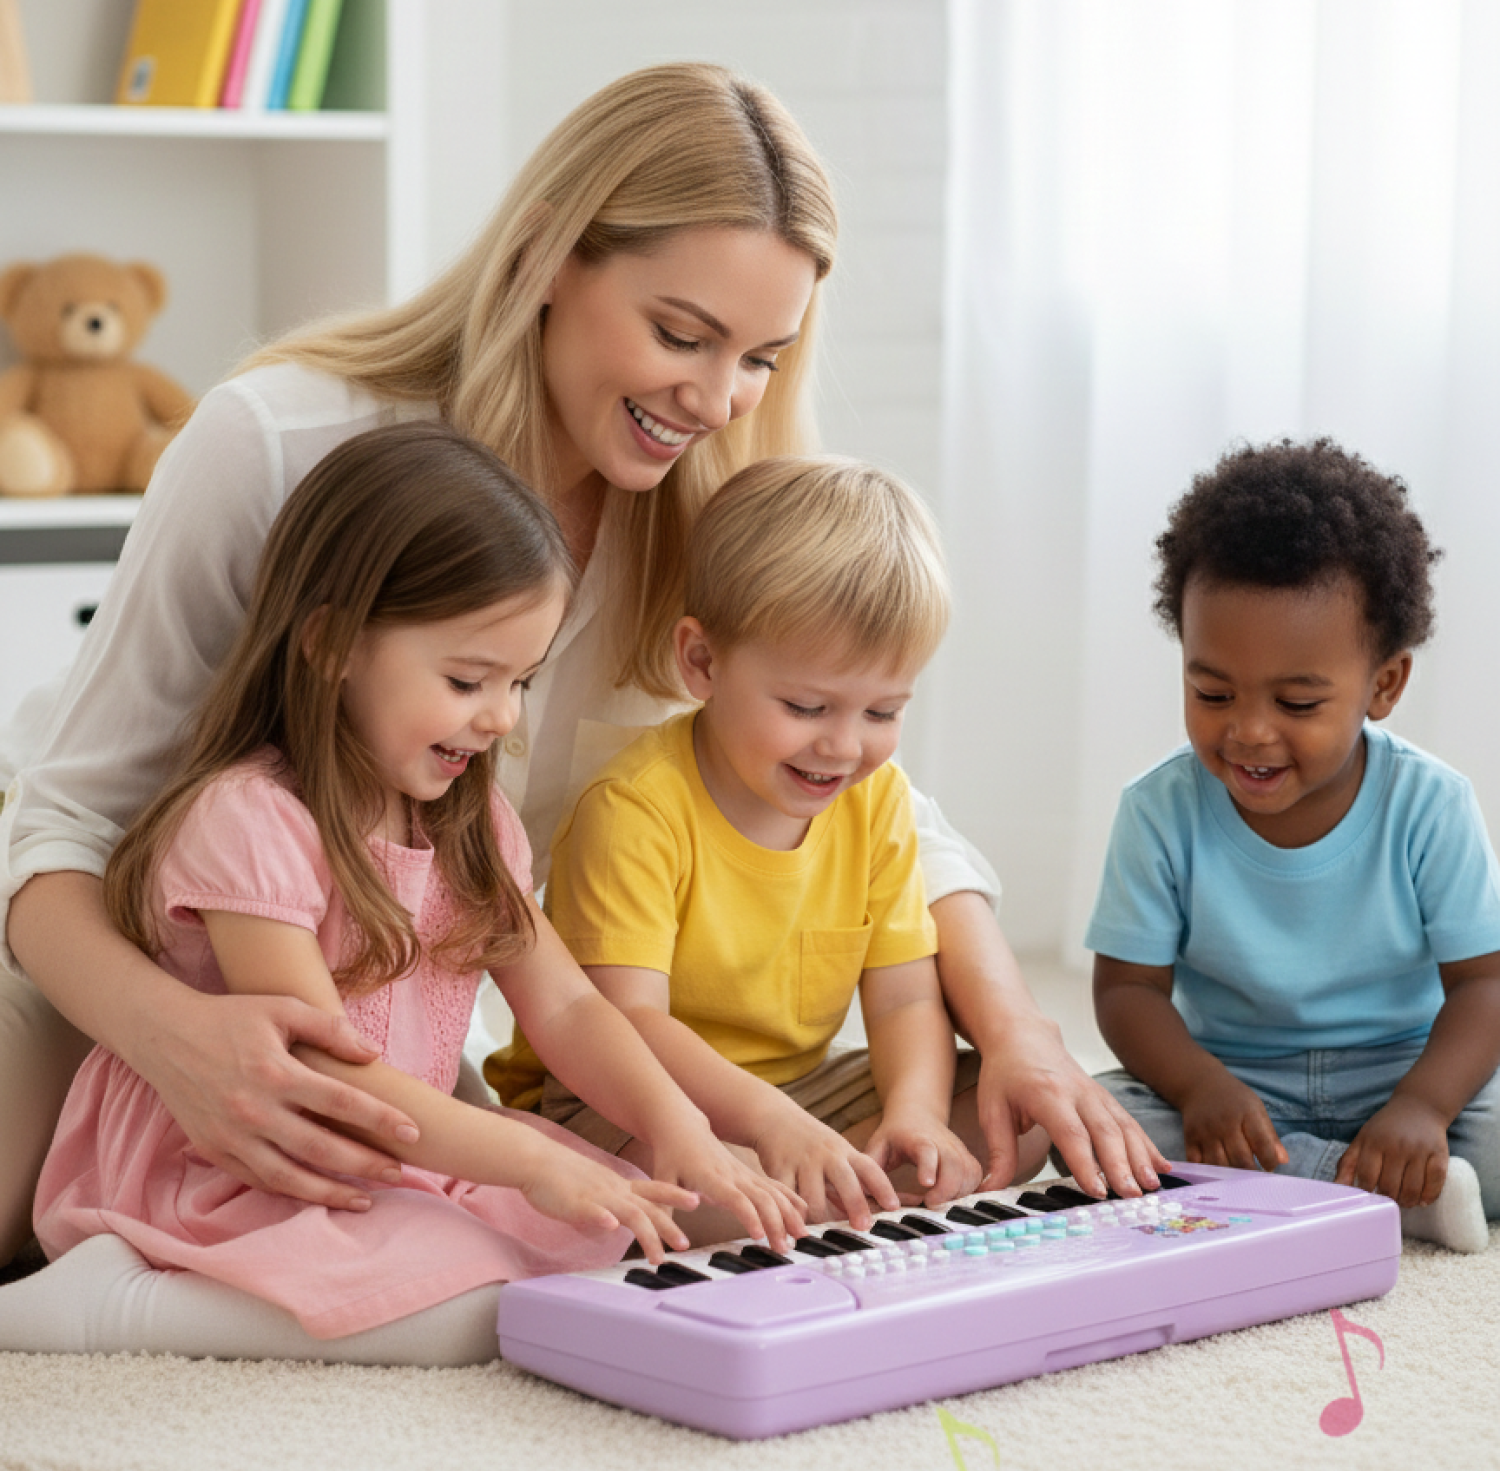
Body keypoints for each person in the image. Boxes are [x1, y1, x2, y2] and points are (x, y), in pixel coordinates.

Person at [0, 61, 1161, 1273]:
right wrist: (178, 1037)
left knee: (959, 1129)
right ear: (548, 253)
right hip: (115, 957)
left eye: (763, 355)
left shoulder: (713, 506)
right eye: (680, 334)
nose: (718, 398)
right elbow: (63, 821)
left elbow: (876, 803)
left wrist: (1020, 1027)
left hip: (373, 1006)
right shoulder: (280, 442)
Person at [0, 424, 805, 1362]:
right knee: (476, 1305)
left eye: (522, 681)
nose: (502, 716)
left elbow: (571, 1004)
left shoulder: (476, 827)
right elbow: (322, 1080)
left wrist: (678, 1130)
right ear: (333, 644)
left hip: (392, 1156)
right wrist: (533, 1158)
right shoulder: (250, 820)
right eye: (469, 679)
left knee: (643, 1225)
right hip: (241, 1171)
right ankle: (99, 1302)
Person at [494, 457, 1049, 1240]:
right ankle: (814, 1196)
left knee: (1015, 1116)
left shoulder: (879, 801)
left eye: (883, 711)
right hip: (625, 1097)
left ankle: (820, 1193)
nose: (844, 746)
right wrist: (772, 1125)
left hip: (799, 1089)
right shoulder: (633, 807)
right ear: (703, 662)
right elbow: (629, 1023)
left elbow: (907, 997)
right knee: (679, 1183)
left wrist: (916, 1116)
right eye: (806, 705)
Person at [1086, 437, 1500, 1254]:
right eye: (1211, 692)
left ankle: (1327, 1178)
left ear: (1383, 686)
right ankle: (1385, 1190)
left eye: (1299, 702)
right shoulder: (1158, 809)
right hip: (1237, 1085)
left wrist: (1422, 1108)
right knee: (1093, 1123)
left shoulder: (1431, 804)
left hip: (1402, 1070)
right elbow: (1127, 992)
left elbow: (1484, 984)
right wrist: (1200, 1087)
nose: (1248, 731)